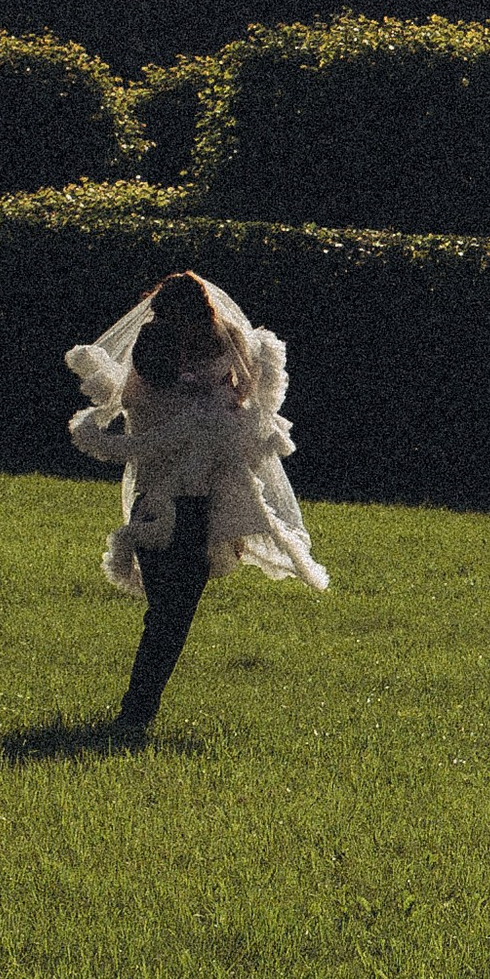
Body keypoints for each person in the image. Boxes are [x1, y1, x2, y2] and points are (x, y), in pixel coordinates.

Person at [65, 271, 327, 732]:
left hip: (199, 505)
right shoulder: (154, 354)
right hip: (162, 500)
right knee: (168, 615)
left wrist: (232, 525)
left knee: (172, 616)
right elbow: (151, 411)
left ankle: (136, 713)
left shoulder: (221, 365)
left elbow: (237, 440)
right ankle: (134, 714)